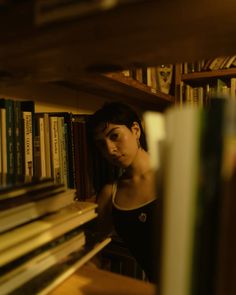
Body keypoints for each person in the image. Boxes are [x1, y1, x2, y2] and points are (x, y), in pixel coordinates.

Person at [88, 101, 161, 283]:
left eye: (115, 136)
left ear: (135, 130)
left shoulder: (176, 171)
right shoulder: (110, 193)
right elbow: (95, 250)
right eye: (101, 144)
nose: (110, 150)